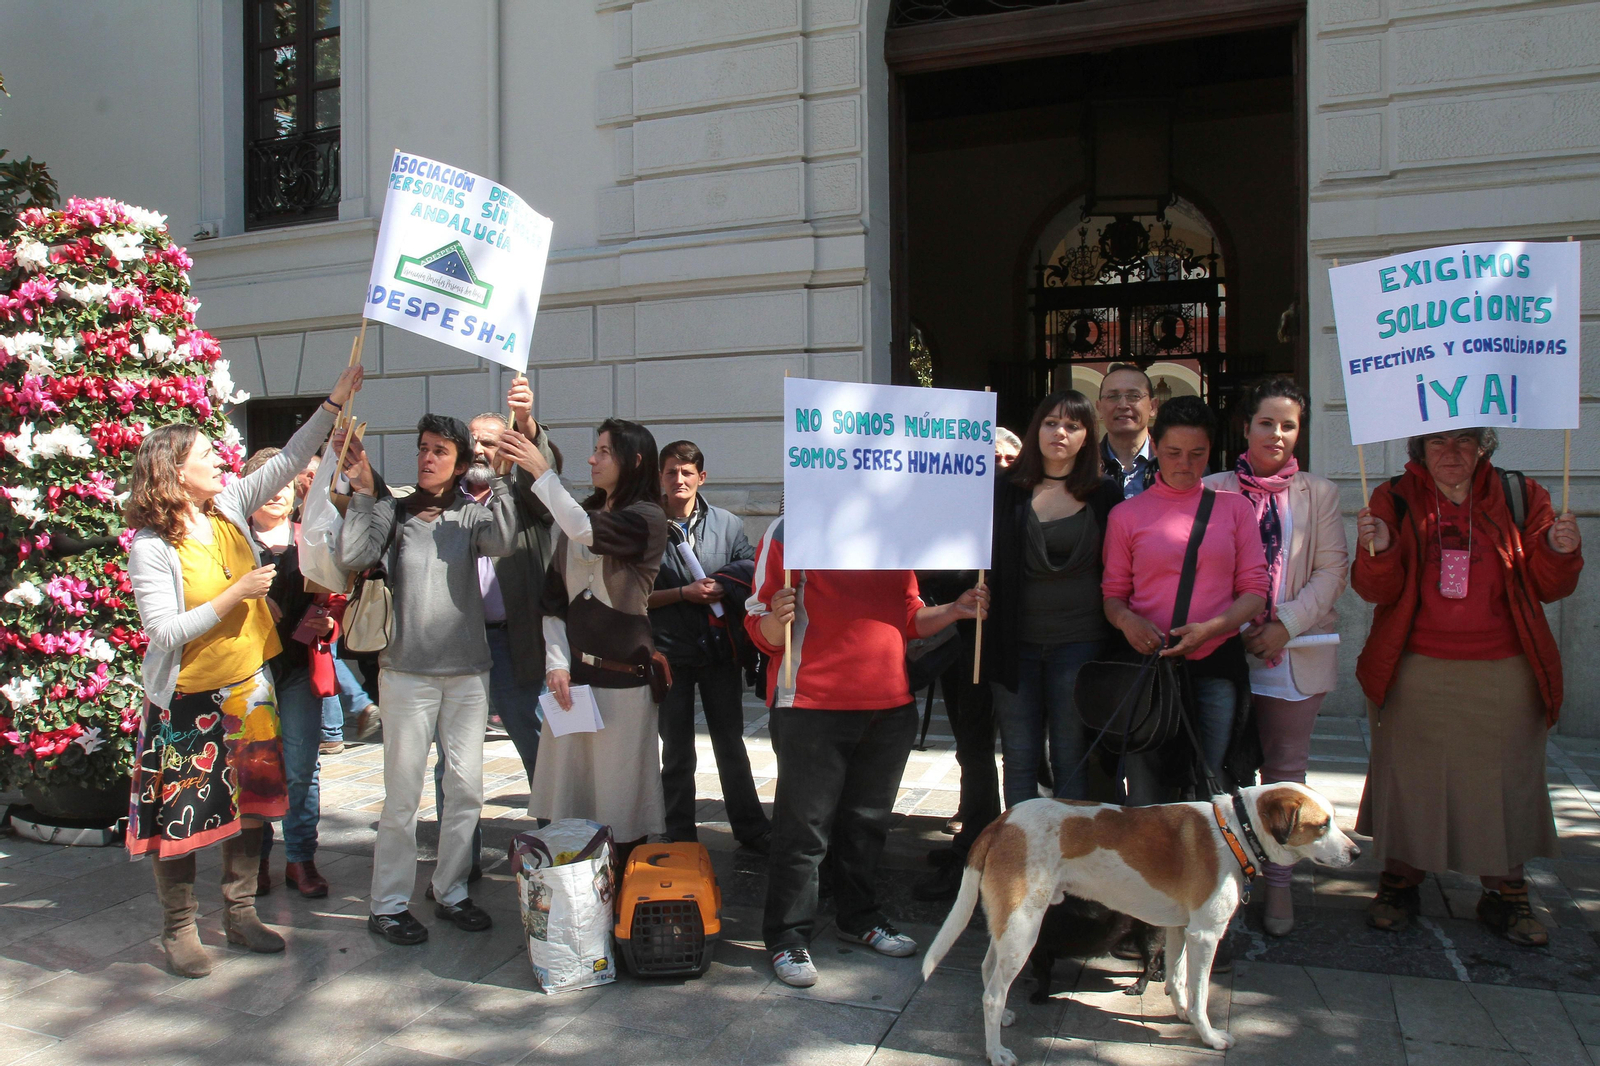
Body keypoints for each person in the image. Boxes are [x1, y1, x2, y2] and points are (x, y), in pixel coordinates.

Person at [124, 365, 361, 978]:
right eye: (206, 455)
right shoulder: (151, 545)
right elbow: (162, 633)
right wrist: (237, 594)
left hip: (248, 688)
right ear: (175, 472)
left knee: (251, 806)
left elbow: (288, 462)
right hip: (187, 698)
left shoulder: (227, 508)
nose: (218, 461)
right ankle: (180, 929)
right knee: (180, 815)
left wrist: (334, 401)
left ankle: (240, 913)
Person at [1354, 428, 1582, 946]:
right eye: (1437, 442)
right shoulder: (1393, 497)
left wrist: (1557, 550)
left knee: (1504, 781)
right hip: (1414, 667)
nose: (1451, 453)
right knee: (1411, 780)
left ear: (1483, 447)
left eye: (1464, 441)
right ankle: (1399, 882)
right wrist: (1380, 549)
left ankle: (1507, 891)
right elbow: (1373, 590)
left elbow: (1551, 586)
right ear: (1420, 450)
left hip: (1504, 667)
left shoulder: (1522, 494)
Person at [745, 518, 989, 988]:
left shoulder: (893, 525)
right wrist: (777, 618)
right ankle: (786, 936)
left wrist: (955, 610)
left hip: (889, 706)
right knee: (803, 832)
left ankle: (859, 917)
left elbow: (909, 617)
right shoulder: (789, 530)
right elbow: (759, 628)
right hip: (809, 705)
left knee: (867, 825)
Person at [337, 413, 517, 946]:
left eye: (440, 450)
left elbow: (505, 541)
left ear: (460, 464)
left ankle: (451, 889)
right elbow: (353, 554)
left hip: (468, 673)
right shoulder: (395, 509)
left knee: (466, 790)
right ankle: (388, 904)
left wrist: (501, 477)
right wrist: (364, 495)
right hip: (406, 673)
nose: (427, 458)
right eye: (423, 448)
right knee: (402, 795)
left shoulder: (471, 515)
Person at [1203, 378, 1348, 936]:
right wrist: (1235, 626)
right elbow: (1201, 568)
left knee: (1286, 772)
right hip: (1224, 649)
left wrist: (1283, 625)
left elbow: (1332, 571)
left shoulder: (1320, 492)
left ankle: (1281, 885)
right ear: (1246, 428)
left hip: (1294, 652)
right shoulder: (1213, 488)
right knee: (1223, 770)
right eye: (1267, 423)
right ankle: (1224, 878)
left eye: (1289, 425)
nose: (1277, 434)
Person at [497, 418, 670, 855]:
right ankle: (578, 886)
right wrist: (557, 663)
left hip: (625, 684)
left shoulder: (648, 517)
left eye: (604, 451)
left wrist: (543, 472)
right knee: (572, 800)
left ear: (634, 460)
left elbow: (584, 531)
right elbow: (553, 602)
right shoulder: (581, 516)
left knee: (621, 801)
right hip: (575, 686)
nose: (592, 459)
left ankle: (621, 884)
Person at [1101, 395, 1268, 804]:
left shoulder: (1235, 509)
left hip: (1216, 665)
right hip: (1149, 670)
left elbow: (1255, 591)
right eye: (1173, 452)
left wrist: (1211, 629)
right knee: (1146, 793)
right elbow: (1113, 596)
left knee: (1214, 791)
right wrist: (1128, 622)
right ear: (1155, 447)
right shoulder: (1126, 515)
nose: (1185, 464)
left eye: (1197, 453)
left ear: (1211, 452)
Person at [986, 391, 1123, 811]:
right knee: (1020, 755)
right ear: (1036, 430)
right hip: (1015, 643)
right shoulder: (1003, 489)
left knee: (1070, 754)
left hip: (1080, 644)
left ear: (1087, 436)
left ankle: (1068, 847)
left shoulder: (1105, 494)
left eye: (1072, 425)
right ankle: (1020, 847)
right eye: (1051, 422)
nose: (1059, 432)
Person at [648, 440, 769, 850]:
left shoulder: (727, 523)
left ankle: (751, 829)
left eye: (687, 472)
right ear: (660, 478)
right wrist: (683, 593)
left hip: (719, 651)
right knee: (676, 751)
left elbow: (752, 567)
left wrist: (725, 583)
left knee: (730, 744)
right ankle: (679, 833)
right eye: (671, 472)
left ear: (702, 477)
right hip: (669, 654)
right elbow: (631, 595)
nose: (678, 480)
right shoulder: (646, 526)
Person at [245, 448, 339, 899]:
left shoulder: (310, 537)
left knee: (302, 768)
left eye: (286, 484)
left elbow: (336, 599)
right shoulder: (234, 541)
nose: (278, 493)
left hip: (300, 666)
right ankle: (256, 859)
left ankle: (301, 858)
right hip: (250, 669)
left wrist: (330, 623)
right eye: (268, 484)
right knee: (256, 767)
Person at [1097, 363, 1158, 499]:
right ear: (1099, 408)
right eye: (1112, 396)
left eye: (1134, 396)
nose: (1123, 405)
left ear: (1153, 406)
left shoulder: (1171, 463)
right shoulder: (1084, 467)